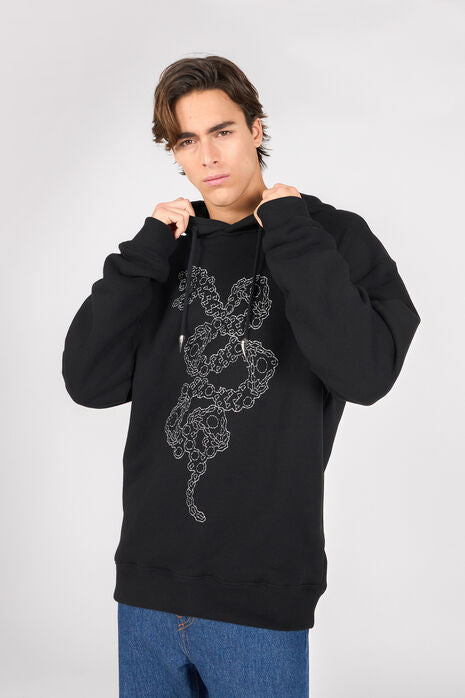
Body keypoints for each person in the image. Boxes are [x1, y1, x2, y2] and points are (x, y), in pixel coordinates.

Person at [61, 54, 421, 697]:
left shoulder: (330, 237)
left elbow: (366, 373)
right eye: (186, 141)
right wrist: (144, 253)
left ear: (256, 128)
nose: (207, 157)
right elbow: (89, 382)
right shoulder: (164, 249)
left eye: (222, 131)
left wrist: (290, 232)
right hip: (146, 588)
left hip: (261, 595)